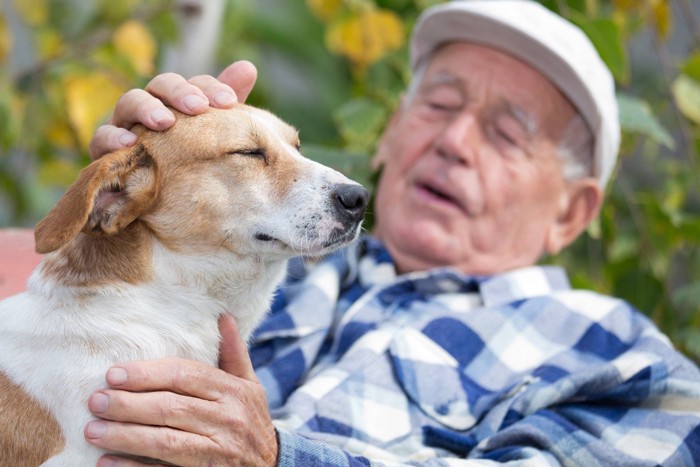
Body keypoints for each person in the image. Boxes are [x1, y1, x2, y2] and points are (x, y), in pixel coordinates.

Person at [82, 1, 700, 466]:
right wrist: (147, 183)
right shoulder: (252, 257)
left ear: (572, 213)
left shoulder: (623, 358)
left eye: (507, 134)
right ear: (388, 135)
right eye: (438, 105)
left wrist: (280, 457)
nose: (453, 143)